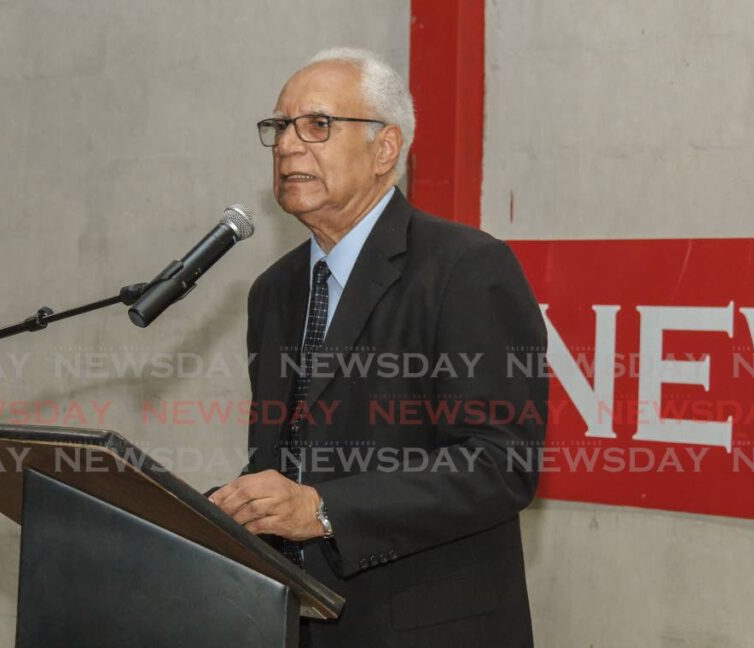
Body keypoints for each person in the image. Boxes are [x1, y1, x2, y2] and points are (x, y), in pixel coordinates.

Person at [209, 47, 547, 647]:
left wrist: (323, 508)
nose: (288, 145)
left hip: (423, 628)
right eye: (279, 127)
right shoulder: (276, 290)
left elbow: (498, 464)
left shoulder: (467, 268)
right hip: (293, 624)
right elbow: (289, 455)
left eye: (317, 125)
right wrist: (231, 504)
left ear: (385, 147)